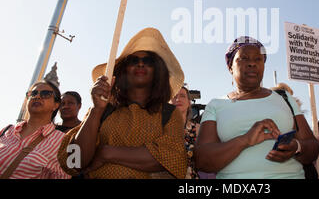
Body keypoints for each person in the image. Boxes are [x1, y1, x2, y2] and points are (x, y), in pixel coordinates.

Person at [57, 27, 187, 179]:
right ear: (123, 70)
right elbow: (74, 162)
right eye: (133, 61)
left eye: (148, 61)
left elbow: (173, 158)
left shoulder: (169, 113)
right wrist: (96, 110)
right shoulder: (103, 109)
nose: (140, 64)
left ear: (157, 71)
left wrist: (106, 153)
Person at [195, 36, 319, 179]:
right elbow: (202, 160)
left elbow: (313, 148)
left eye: (258, 59)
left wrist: (297, 147)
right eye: (244, 58)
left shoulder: (284, 98)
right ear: (230, 67)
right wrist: (245, 140)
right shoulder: (216, 105)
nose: (252, 63)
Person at [0, 80, 70, 179]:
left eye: (45, 94)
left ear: (56, 105)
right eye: (33, 93)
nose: (37, 96)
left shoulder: (62, 141)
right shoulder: (7, 130)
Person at [170, 85, 200, 179]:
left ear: (189, 102)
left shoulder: (199, 129)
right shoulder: (159, 128)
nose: (178, 99)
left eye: (182, 96)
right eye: (174, 96)